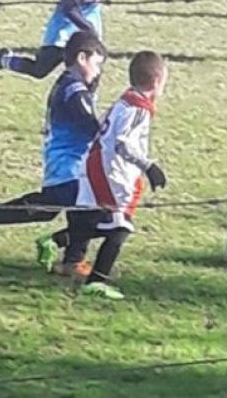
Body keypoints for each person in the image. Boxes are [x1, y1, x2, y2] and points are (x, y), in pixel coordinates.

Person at [0, 31, 106, 277]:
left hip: (70, 163)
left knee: (58, 207)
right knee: (85, 205)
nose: (98, 72)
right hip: (68, 163)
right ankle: (71, 259)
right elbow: (92, 128)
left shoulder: (70, 84)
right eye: (97, 64)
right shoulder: (74, 91)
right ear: (82, 58)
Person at [65, 51, 168, 300]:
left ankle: (55, 241)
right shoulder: (138, 109)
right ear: (156, 82)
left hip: (100, 166)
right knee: (120, 227)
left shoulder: (126, 100)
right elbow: (122, 143)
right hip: (109, 171)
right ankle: (97, 281)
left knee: (98, 219)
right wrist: (149, 166)